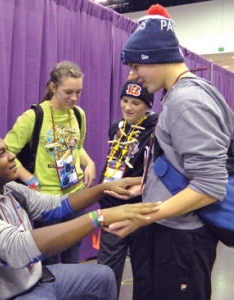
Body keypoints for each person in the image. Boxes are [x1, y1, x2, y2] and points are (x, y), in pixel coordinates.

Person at [105, 4, 234, 300]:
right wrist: (150, 183)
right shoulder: (182, 94)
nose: (134, 76)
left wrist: (144, 217)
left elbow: (209, 186)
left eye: (136, 66)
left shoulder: (187, 101)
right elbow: (186, 164)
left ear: (155, 58)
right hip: (173, 231)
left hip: (183, 239)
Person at [0, 126, 161, 300]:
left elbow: (57, 206)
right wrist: (98, 217)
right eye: (1, 154)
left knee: (103, 276)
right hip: (3, 295)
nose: (12, 157)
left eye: (8, 150)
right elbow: (17, 249)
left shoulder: (11, 190)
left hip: (34, 279)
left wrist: (103, 188)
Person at [4, 61, 96, 265]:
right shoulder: (34, 117)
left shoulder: (79, 115)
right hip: (46, 201)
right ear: (53, 88)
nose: (74, 98)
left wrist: (89, 163)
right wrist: (28, 178)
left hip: (75, 196)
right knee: (50, 262)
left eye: (78, 92)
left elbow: (77, 147)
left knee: (73, 259)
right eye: (68, 92)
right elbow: (7, 152)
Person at [97, 79, 158, 299]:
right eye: (124, 100)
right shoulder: (117, 127)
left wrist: (142, 185)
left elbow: (162, 168)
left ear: (148, 105)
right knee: (106, 268)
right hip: (112, 206)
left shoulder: (156, 130)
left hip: (140, 209)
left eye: (135, 103)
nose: (128, 107)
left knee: (144, 268)